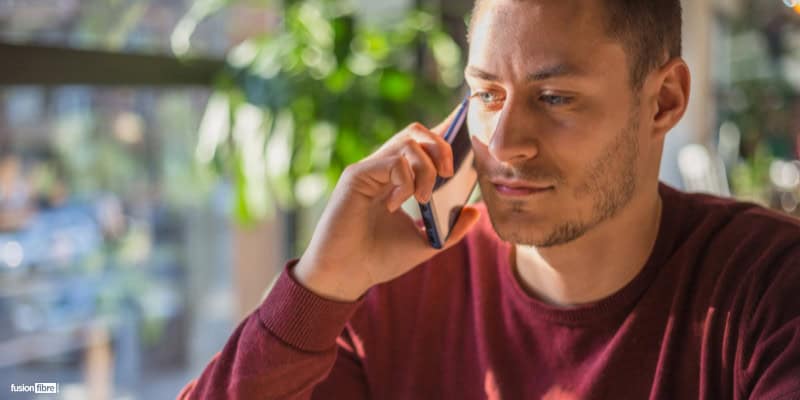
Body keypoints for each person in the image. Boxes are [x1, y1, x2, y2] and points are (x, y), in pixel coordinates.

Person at [178, 0, 800, 398]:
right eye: (487, 94)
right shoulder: (396, 290)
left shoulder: (771, 286)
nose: (503, 144)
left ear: (663, 100)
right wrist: (321, 284)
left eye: (554, 97)